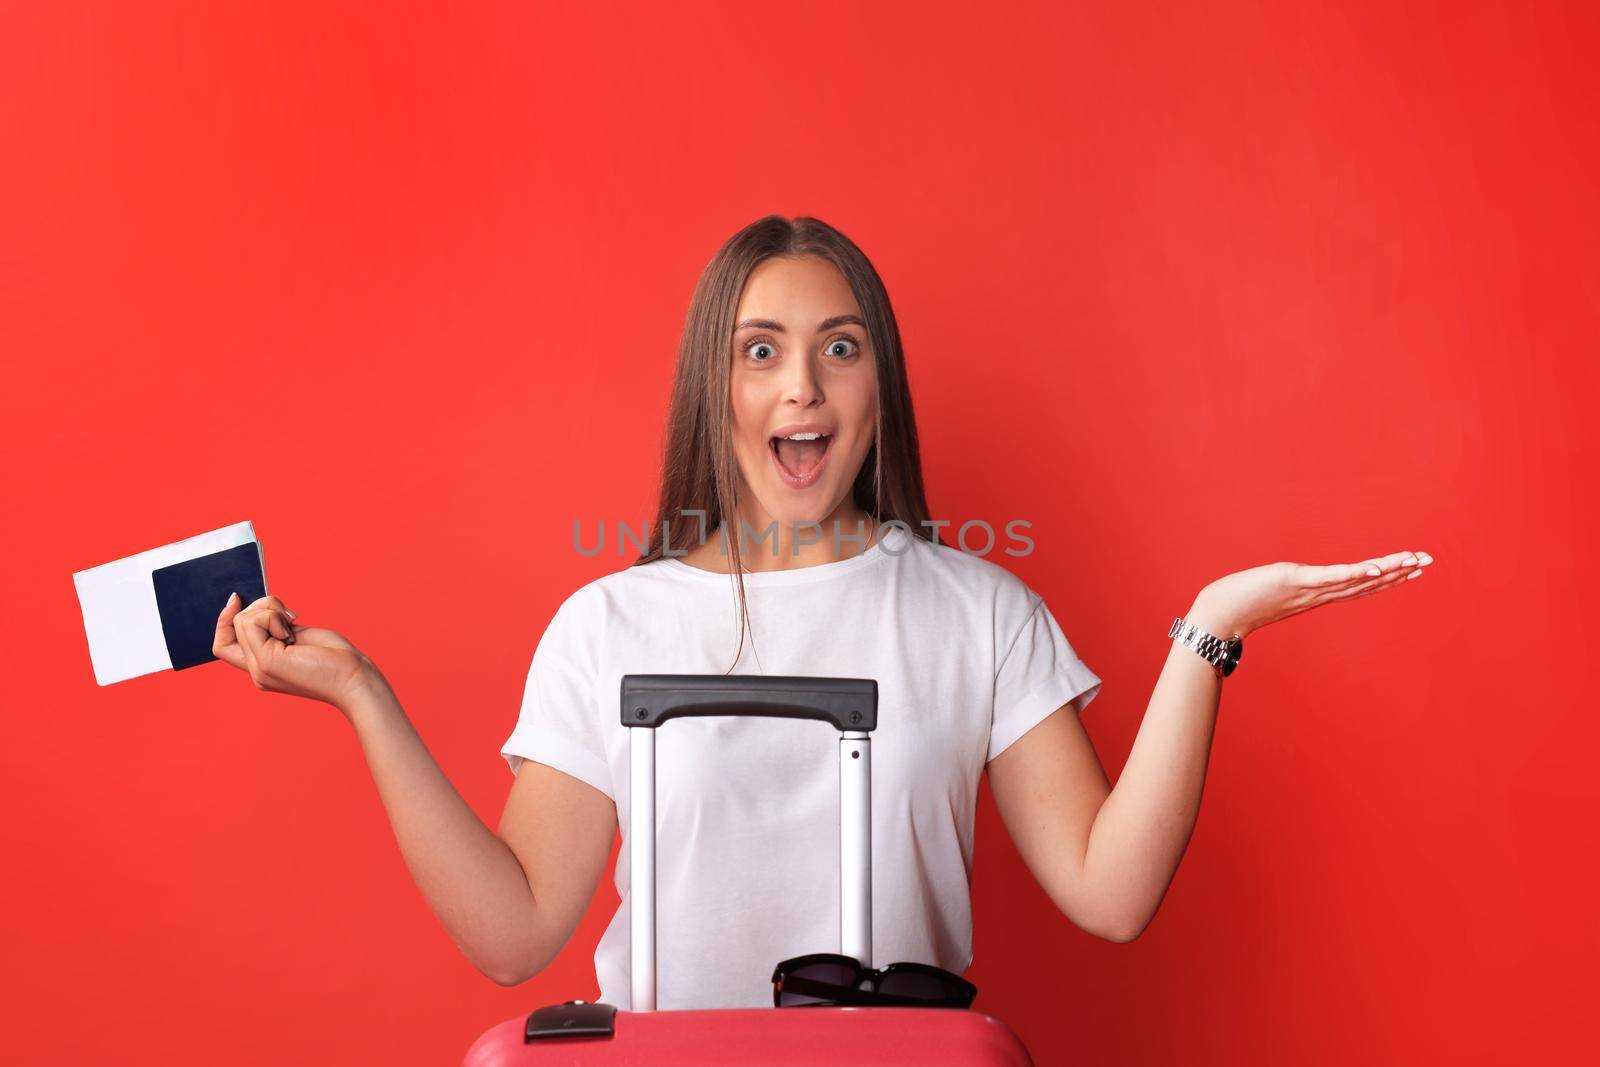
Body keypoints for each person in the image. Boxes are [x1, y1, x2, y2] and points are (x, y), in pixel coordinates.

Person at [214, 214, 1434, 1010]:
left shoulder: (977, 613)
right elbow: (515, 930)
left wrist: (1210, 632)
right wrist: (362, 695)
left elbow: (1110, 894)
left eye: (837, 348)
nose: (800, 383)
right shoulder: (609, 624)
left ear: (876, 382)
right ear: (715, 385)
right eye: (759, 351)